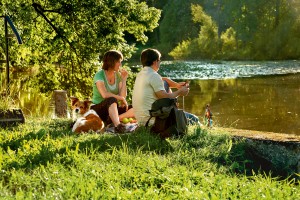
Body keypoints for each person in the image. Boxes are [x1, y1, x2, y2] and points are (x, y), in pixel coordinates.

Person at [132, 48, 200, 125]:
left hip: (142, 120)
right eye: (159, 60)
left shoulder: (142, 74)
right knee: (194, 119)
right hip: (153, 121)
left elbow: (162, 80)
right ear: (155, 61)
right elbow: (165, 98)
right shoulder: (153, 75)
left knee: (164, 83)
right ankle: (203, 129)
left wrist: (176, 85)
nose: (160, 62)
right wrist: (179, 92)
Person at [91, 50, 134, 133]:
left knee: (134, 107)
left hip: (112, 110)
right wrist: (120, 98)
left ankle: (112, 120)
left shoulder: (118, 75)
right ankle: (118, 126)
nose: (120, 65)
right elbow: (104, 94)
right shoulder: (99, 75)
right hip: (98, 109)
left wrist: (124, 80)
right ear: (111, 62)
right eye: (118, 62)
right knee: (111, 99)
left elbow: (123, 96)